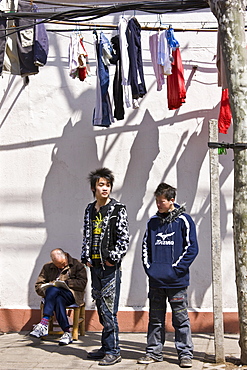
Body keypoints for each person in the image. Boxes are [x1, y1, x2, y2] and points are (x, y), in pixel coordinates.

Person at [137, 183, 198, 368]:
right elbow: (145, 248)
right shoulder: (153, 222)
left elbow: (192, 249)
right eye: (156, 201)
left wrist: (175, 271)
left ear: (171, 200)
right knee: (155, 318)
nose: (158, 204)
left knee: (180, 319)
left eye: (161, 201)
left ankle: (185, 353)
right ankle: (154, 351)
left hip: (176, 282)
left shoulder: (184, 221)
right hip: (156, 281)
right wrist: (150, 270)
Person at [81, 167, 129, 366]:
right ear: (94, 188)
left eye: (108, 185)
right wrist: (85, 256)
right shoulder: (90, 209)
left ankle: (114, 350)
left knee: (109, 310)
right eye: (101, 185)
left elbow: (124, 239)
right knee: (100, 308)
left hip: (109, 268)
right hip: (94, 266)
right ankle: (105, 346)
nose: (105, 189)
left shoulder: (118, 209)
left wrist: (113, 258)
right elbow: (86, 234)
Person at [30, 248, 87, 345]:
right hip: (53, 297)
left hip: (72, 295)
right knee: (57, 298)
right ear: (53, 261)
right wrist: (48, 289)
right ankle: (67, 332)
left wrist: (66, 283)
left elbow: (82, 283)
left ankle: (44, 322)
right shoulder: (47, 267)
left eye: (63, 264)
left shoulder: (77, 265)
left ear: (65, 256)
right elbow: (38, 286)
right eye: (58, 265)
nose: (62, 266)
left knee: (53, 290)